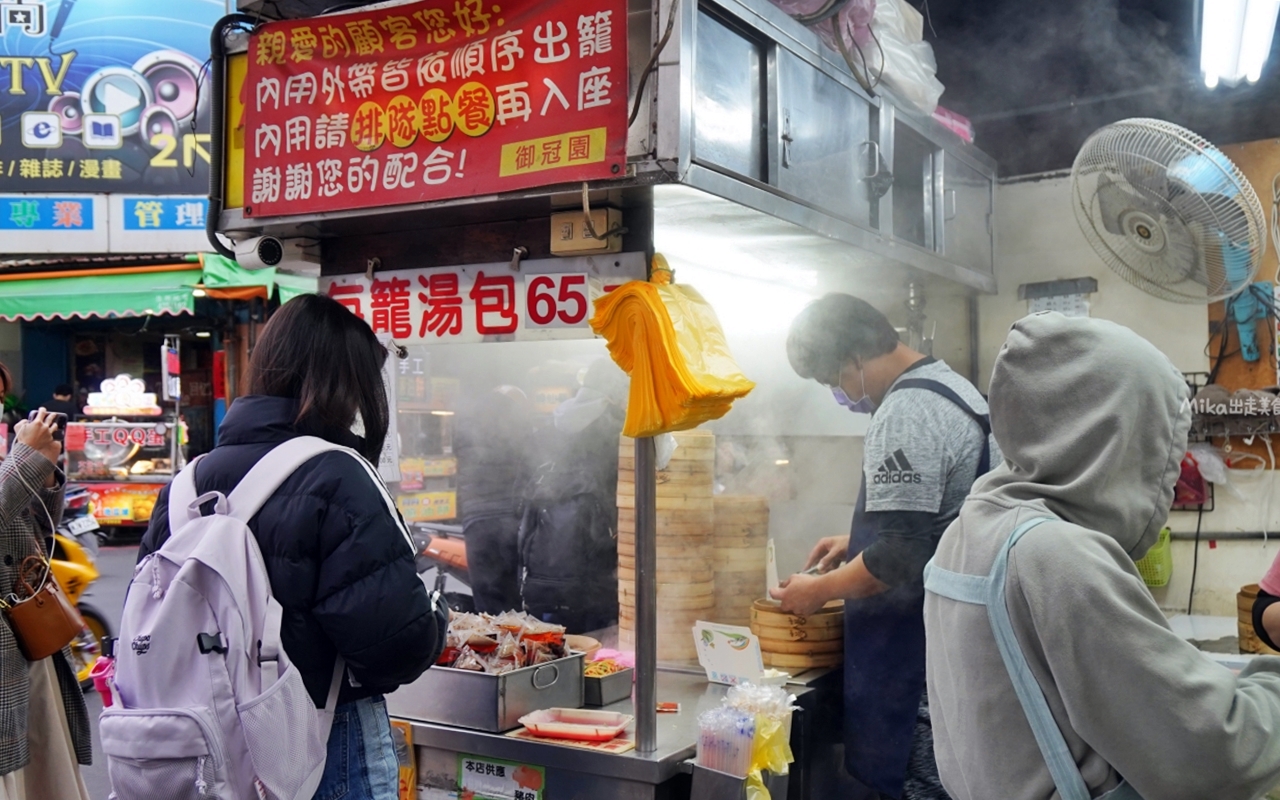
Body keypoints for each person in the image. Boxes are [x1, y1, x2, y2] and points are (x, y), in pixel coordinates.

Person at [924, 312, 1280, 800]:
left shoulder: (974, 529)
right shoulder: (1059, 557)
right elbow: (1214, 752)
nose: (1172, 476)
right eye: (1162, 442)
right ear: (1115, 437)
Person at [141, 295, 446, 800]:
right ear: (345, 383)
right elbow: (394, 647)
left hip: (205, 744)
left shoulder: (185, 484)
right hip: (324, 741)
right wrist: (438, 620)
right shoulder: (339, 474)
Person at [771, 293, 997, 800]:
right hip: (958, 649)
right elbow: (942, 518)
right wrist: (858, 539)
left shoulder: (904, 414)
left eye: (836, 381)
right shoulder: (950, 387)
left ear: (854, 358)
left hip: (919, 664)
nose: (843, 394)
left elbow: (898, 557)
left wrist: (819, 590)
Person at [0, 363, 90, 800]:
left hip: (27, 646)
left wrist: (47, 474)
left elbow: (32, 532)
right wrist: (24, 462)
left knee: (42, 774)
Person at [519, 358, 627, 633]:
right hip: (596, 566)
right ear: (615, 391)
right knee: (599, 642)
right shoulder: (618, 425)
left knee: (556, 643)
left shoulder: (555, 421)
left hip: (548, 566)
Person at [453, 386, 535, 614]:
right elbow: (530, 469)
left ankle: (493, 645)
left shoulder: (466, 431)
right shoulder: (516, 428)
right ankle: (516, 645)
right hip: (510, 518)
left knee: (487, 600)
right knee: (514, 598)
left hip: (476, 521)